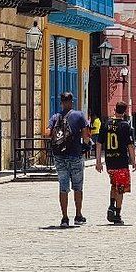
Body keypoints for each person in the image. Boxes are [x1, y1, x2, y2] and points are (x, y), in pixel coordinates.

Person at [48, 91, 91, 227]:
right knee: (78, 187)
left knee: (63, 187)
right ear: (72, 101)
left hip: (60, 156)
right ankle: (78, 215)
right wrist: (87, 144)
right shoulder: (79, 115)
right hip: (75, 155)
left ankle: (65, 218)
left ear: (61, 102)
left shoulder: (55, 117)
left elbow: (47, 132)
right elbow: (85, 136)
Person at [96, 101, 136, 225]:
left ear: (114, 109)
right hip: (121, 161)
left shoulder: (106, 124)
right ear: (124, 111)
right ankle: (117, 214)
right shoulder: (126, 126)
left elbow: (98, 143)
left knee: (114, 185)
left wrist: (98, 161)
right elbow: (130, 146)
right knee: (120, 189)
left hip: (109, 161)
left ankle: (111, 206)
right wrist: (133, 161)